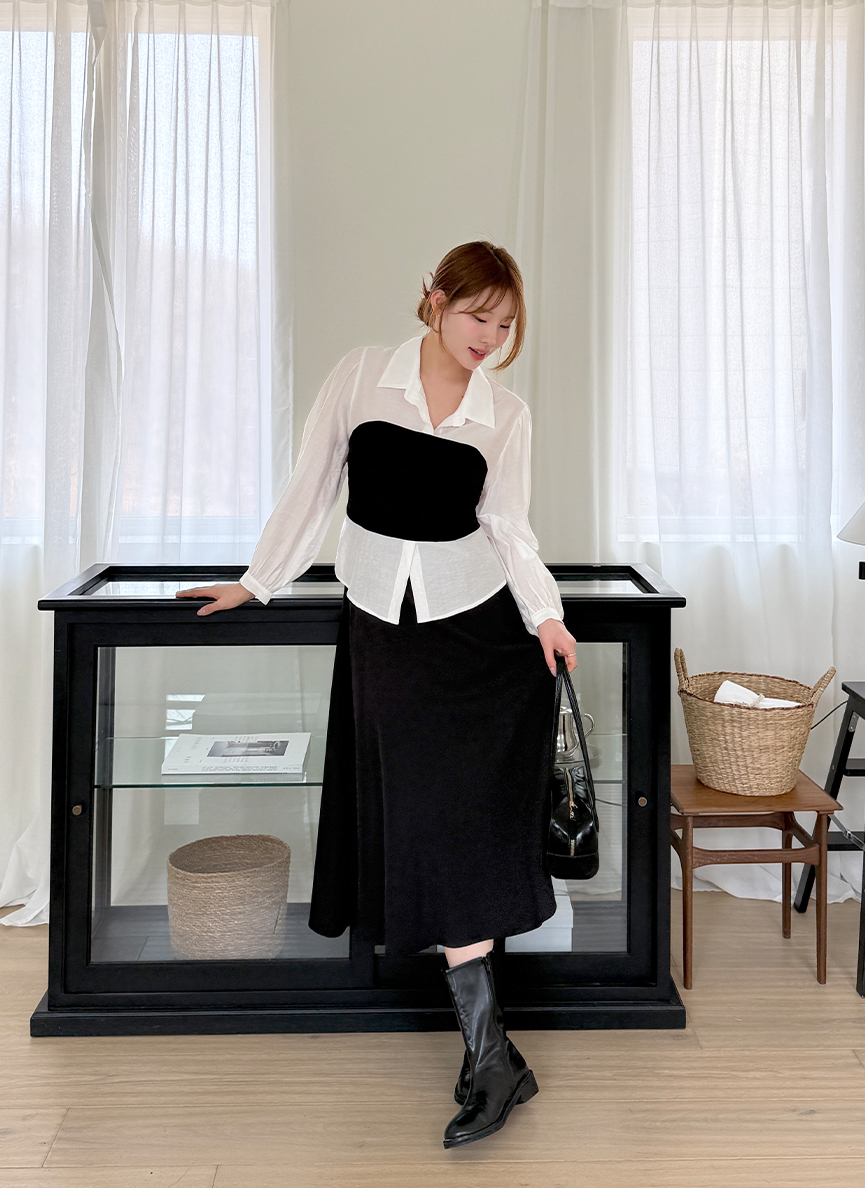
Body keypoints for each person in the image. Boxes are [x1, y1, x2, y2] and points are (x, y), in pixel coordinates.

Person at [176, 241, 578, 1149]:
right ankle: (496, 1059)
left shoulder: (504, 414)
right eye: (478, 315)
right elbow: (313, 484)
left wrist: (546, 615)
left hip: (478, 637)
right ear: (434, 301)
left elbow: (507, 527)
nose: (491, 337)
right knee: (424, 825)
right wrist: (259, 581)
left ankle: (490, 1059)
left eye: (506, 323)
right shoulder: (362, 376)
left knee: (462, 828)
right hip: (384, 634)